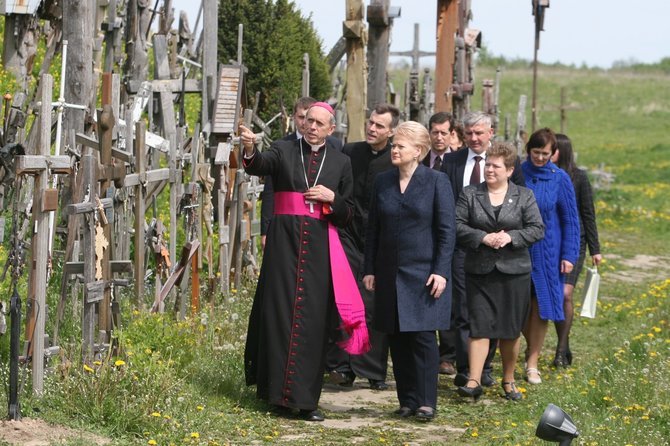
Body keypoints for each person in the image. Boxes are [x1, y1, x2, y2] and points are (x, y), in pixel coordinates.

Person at [239, 102, 369, 422]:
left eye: (319, 123)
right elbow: (259, 165)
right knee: (279, 314)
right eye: (308, 120)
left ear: (330, 129)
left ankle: (306, 400)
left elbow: (350, 212)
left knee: (313, 321)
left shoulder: (341, 161)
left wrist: (332, 199)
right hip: (284, 244)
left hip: (320, 247)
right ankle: (277, 396)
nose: (311, 126)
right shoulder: (284, 150)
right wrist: (250, 149)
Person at [363, 121, 456, 422]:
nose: (394, 149)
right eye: (394, 145)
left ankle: (427, 401)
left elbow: (446, 231)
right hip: (389, 272)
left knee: (423, 339)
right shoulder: (383, 181)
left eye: (400, 145)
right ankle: (407, 400)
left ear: (418, 151)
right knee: (397, 338)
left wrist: (441, 271)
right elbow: (373, 230)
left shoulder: (436, 181)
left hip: (424, 274)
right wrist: (370, 269)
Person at [440, 111, 525, 389]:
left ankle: (485, 368)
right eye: (469, 133)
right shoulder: (451, 161)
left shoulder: (509, 164)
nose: (474, 138)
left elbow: (519, 204)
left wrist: (505, 236)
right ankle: (467, 369)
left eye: (480, 133)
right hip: (461, 246)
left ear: (491, 133)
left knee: (492, 313)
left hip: (499, 253)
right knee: (464, 309)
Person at [455, 142, 545, 401]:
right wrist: (482, 238)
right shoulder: (470, 194)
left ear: (509, 170)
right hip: (479, 271)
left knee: (509, 329)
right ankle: (473, 381)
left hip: (514, 272)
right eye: (487, 165)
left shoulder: (524, 195)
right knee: (479, 326)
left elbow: (537, 228)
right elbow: (457, 225)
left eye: (496, 166)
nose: (489, 170)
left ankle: (508, 380)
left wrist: (511, 237)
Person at [326, 104, 400, 390]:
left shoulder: (394, 159)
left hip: (380, 241)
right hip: (348, 234)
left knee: (373, 304)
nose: (372, 129)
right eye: (371, 123)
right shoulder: (350, 152)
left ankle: (374, 370)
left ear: (391, 132)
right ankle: (342, 367)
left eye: (380, 126)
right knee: (345, 302)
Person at [521, 128, 580, 385]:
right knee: (518, 308)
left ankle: (532, 362)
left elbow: (570, 220)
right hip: (519, 250)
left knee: (541, 308)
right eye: (536, 152)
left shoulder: (560, 179)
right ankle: (526, 345)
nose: (541, 158)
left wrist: (569, 254)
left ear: (553, 153)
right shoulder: (518, 173)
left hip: (548, 253)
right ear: (529, 150)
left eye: (545, 153)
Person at [259, 97, 343, 248]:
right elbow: (270, 191)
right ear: (294, 118)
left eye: (315, 120)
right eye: (303, 118)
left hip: (321, 228)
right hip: (287, 226)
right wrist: (265, 230)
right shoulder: (282, 146)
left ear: (330, 128)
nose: (308, 124)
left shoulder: (335, 147)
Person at [551, 133, 603, 367]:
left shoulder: (578, 177)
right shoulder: (545, 176)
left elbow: (587, 213)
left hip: (574, 243)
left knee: (565, 294)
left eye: (550, 149)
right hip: (550, 242)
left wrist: (595, 249)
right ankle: (564, 341)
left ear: (559, 151)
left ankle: (561, 349)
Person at [423, 111, 459, 376]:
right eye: (434, 132)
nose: (438, 137)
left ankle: (447, 354)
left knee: (446, 294)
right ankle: (426, 348)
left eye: (443, 132)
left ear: (451, 135)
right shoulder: (420, 159)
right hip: (421, 236)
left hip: (449, 235)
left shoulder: (457, 163)